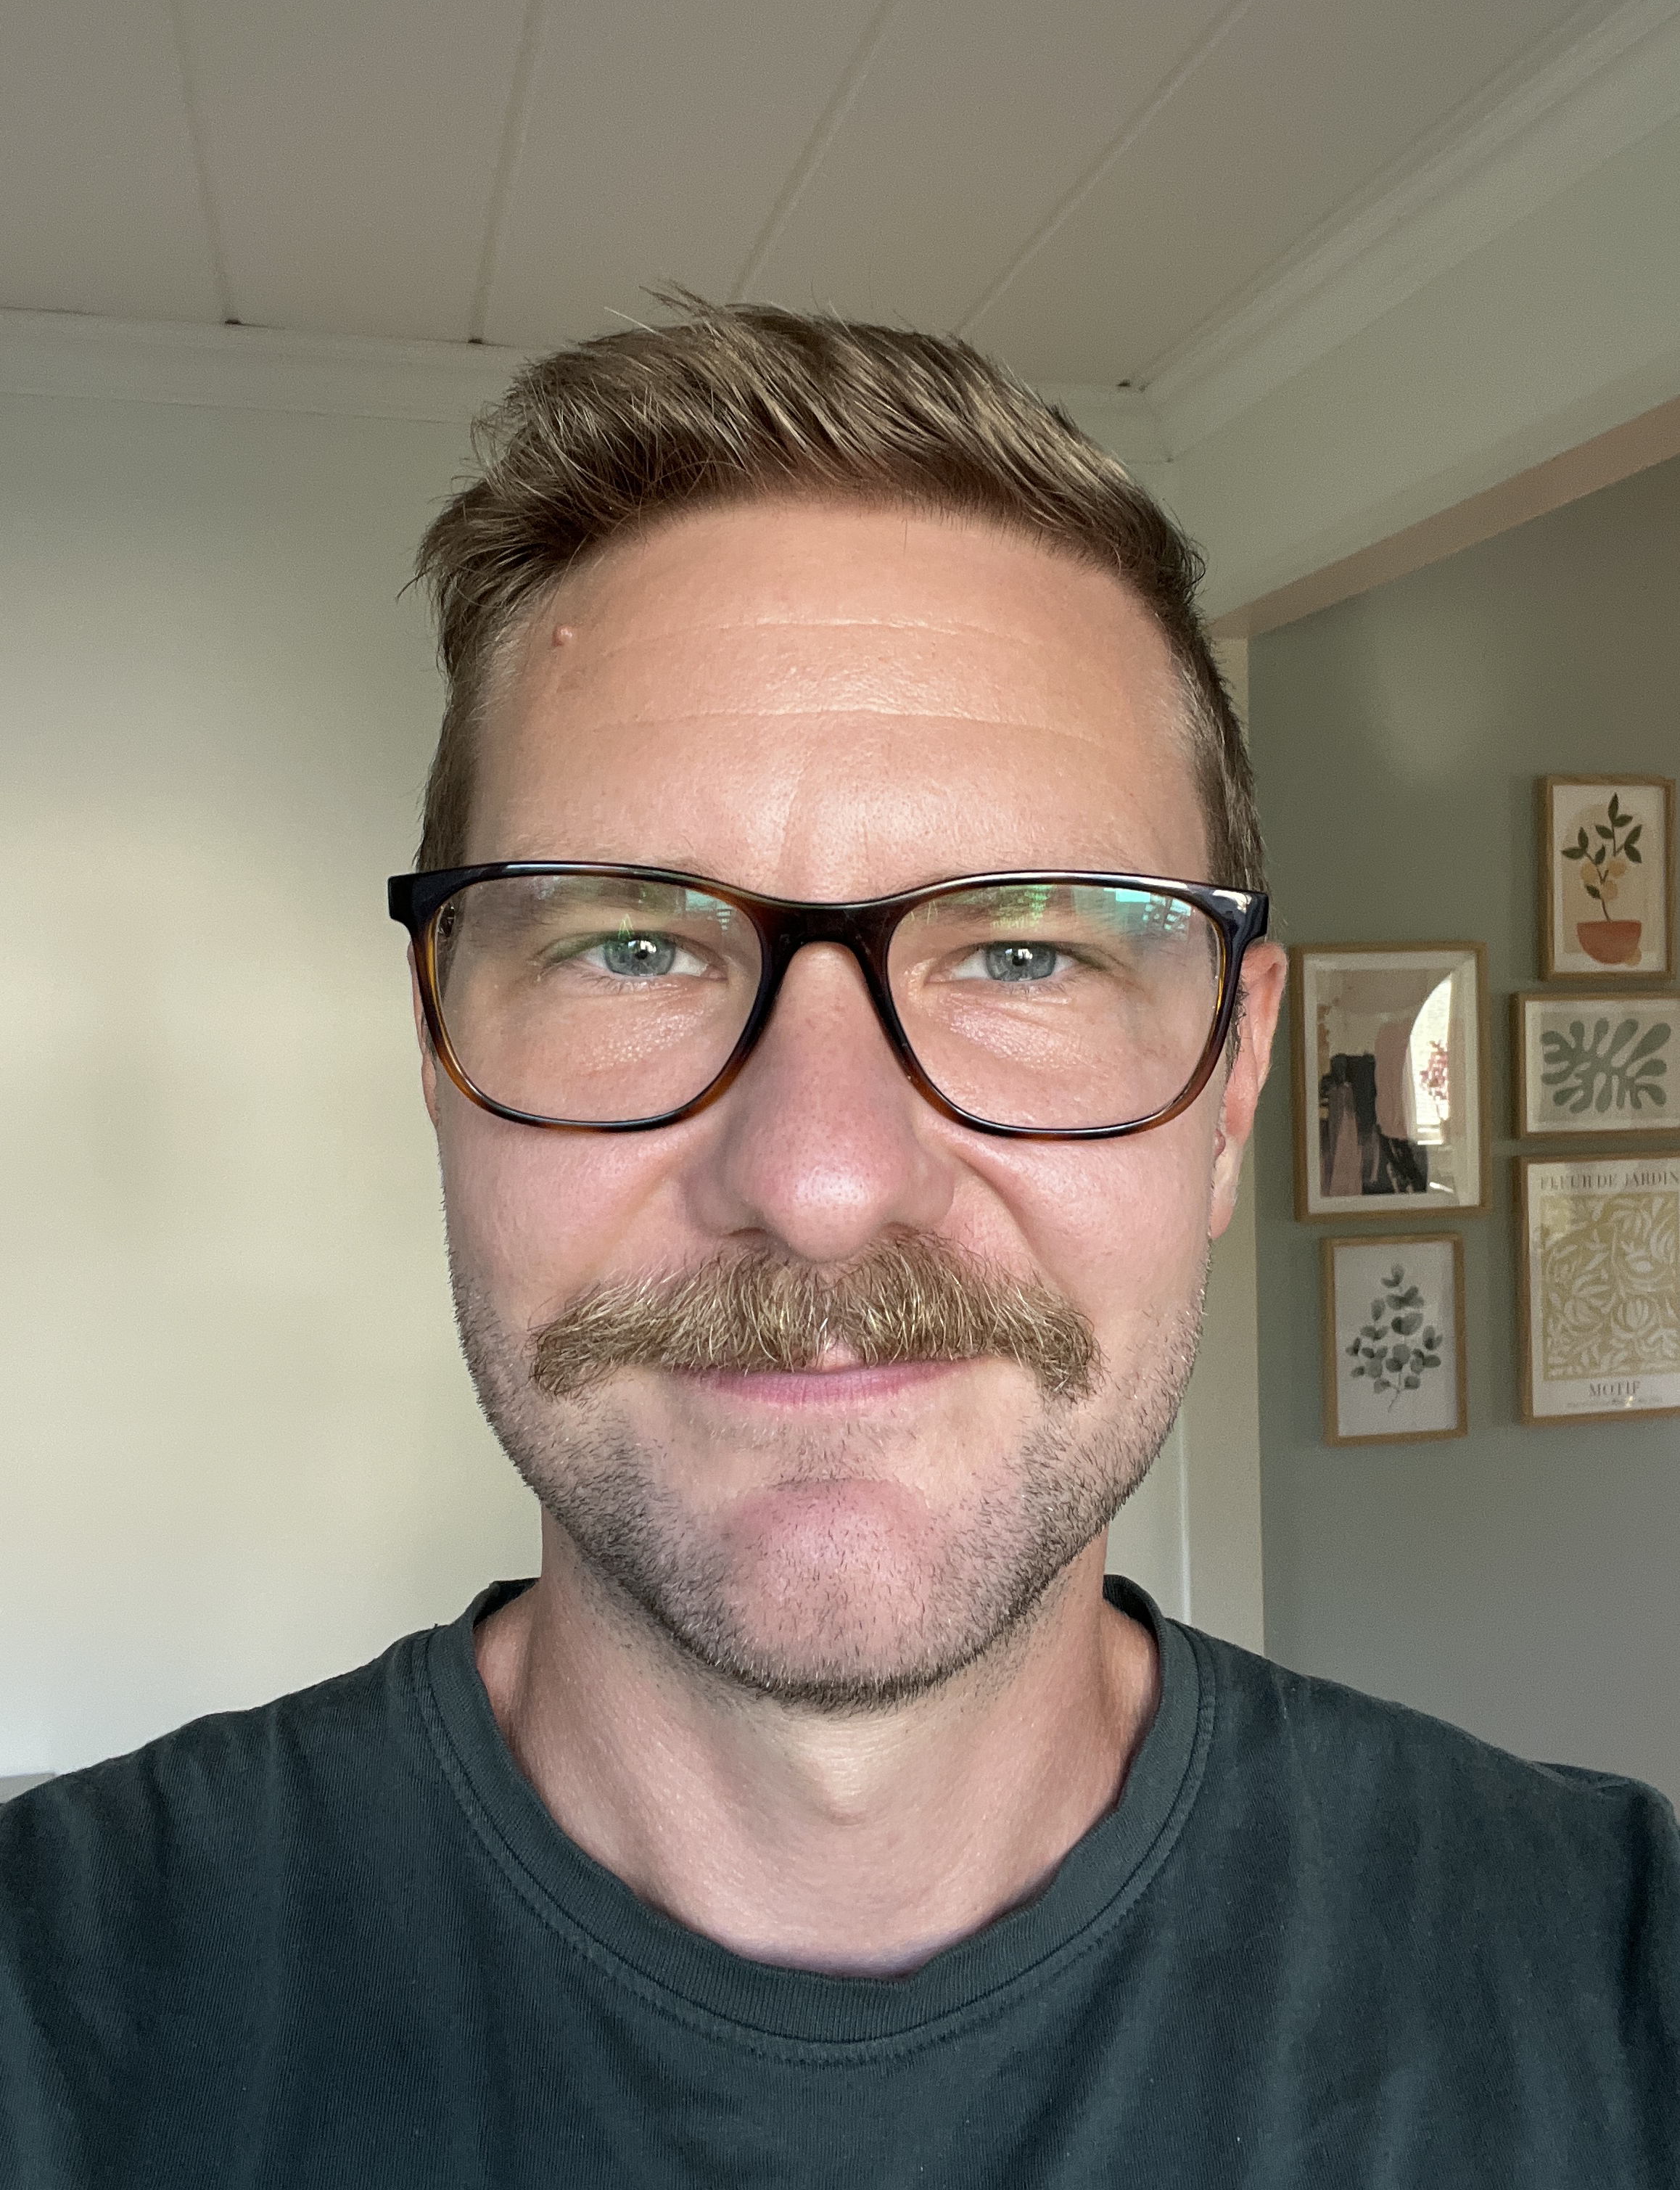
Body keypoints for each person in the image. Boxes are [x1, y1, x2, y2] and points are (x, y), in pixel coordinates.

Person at [2, 301, 1674, 2189]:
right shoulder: (54, 2019)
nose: (818, 1179)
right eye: (634, 946)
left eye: (1023, 953)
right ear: (440, 1048)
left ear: (1232, 1083)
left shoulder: (1618, 1994)